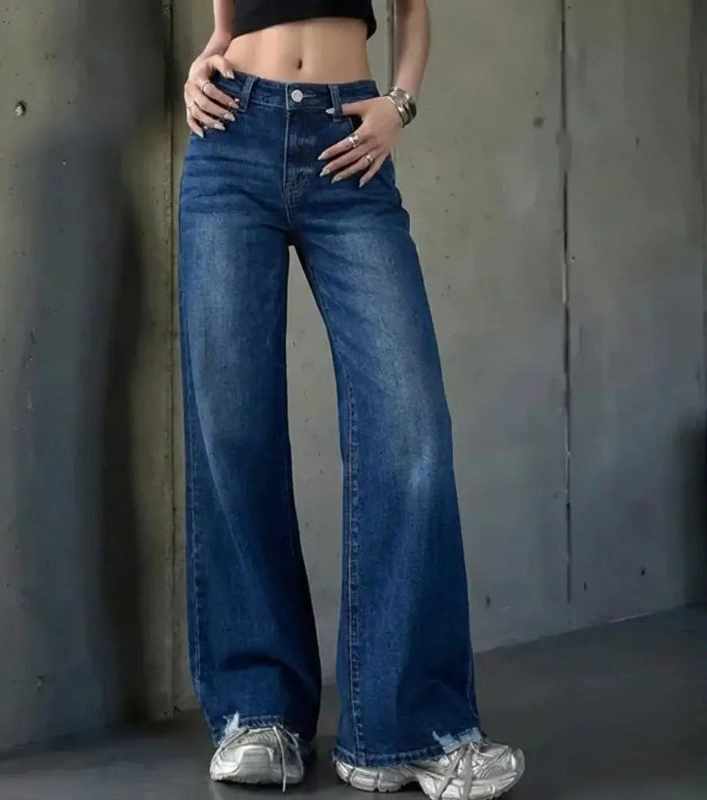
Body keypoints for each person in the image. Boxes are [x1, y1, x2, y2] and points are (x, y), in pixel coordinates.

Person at [178, 2, 525, 797]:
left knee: (412, 430)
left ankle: (404, 730)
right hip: (233, 140)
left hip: (349, 147)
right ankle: (258, 710)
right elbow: (227, 21)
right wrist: (209, 56)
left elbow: (411, 10)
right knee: (234, 433)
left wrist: (399, 105)